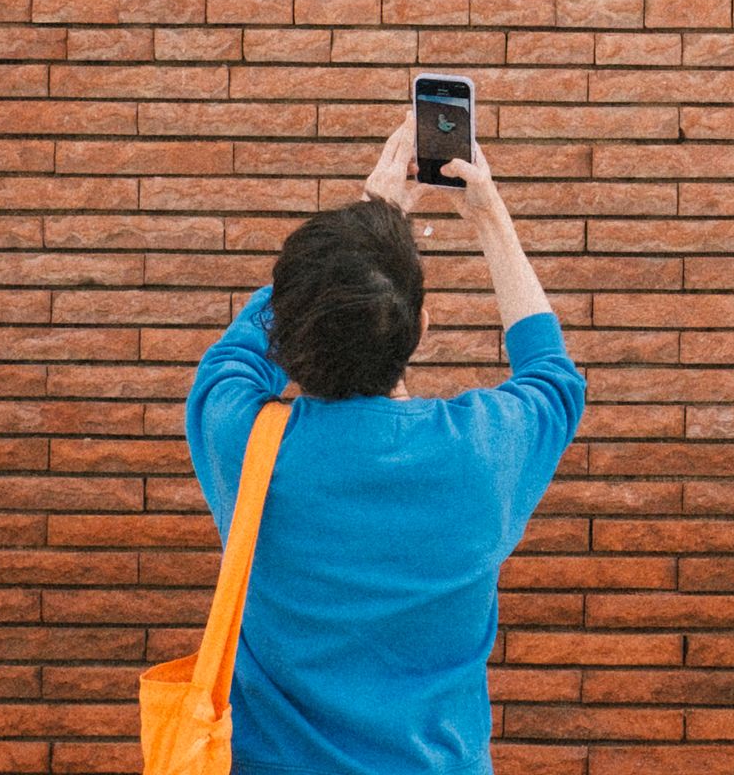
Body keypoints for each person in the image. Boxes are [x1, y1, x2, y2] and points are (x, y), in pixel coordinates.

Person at [182, 123, 585, 775]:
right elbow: (552, 376)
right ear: (420, 330)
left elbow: (235, 355)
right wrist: (489, 216)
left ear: (288, 333)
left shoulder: (244, 441)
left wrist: (366, 228)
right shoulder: (479, 457)